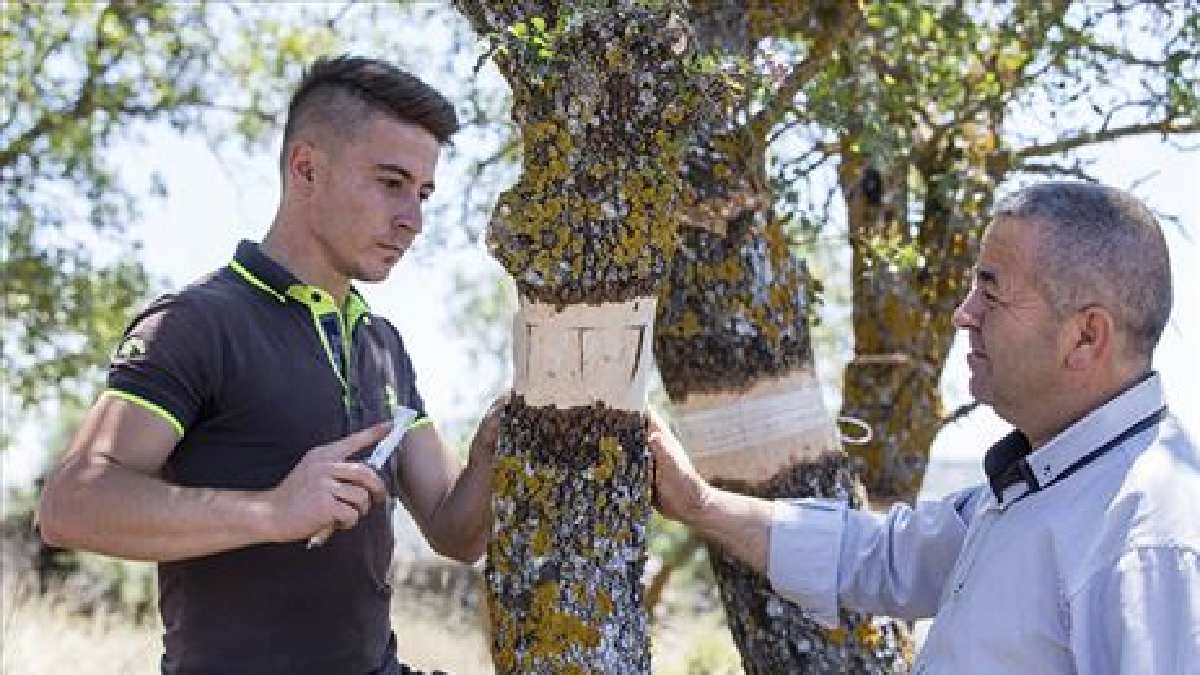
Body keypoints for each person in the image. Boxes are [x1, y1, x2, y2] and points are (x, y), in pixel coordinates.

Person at [38, 55, 499, 675]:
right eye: (391, 183)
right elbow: (70, 506)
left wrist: (497, 449)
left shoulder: (382, 343)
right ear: (306, 169)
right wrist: (271, 512)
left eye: (423, 193)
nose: (412, 220)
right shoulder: (198, 321)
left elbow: (454, 532)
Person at [650, 182, 1199, 673]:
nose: (964, 313)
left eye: (991, 291)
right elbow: (883, 557)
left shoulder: (1153, 544)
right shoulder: (1047, 483)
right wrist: (698, 503)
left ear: (1085, 337)